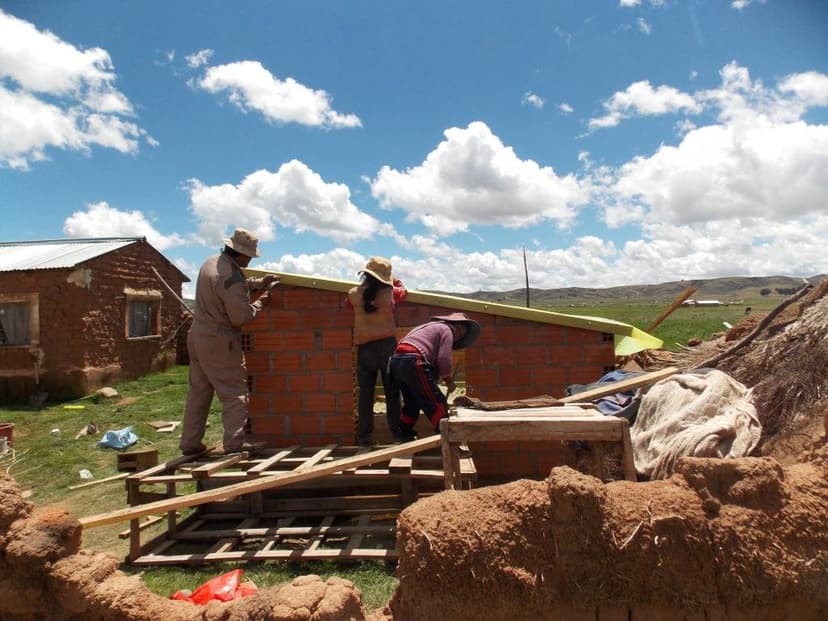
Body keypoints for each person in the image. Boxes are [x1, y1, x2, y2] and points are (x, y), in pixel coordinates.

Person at [179, 228, 278, 455]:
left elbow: (231, 284)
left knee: (199, 392)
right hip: (220, 339)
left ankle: (190, 444)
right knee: (235, 393)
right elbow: (240, 317)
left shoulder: (211, 263)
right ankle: (234, 446)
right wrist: (263, 301)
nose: (251, 259)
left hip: (198, 335)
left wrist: (258, 283)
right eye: (250, 256)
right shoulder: (231, 277)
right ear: (241, 254)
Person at [345, 257, 408, 446]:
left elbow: (349, 305)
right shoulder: (390, 293)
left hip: (364, 349)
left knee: (365, 395)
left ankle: (364, 438)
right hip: (387, 347)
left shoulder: (353, 294)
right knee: (392, 393)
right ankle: (398, 435)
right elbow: (404, 292)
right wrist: (395, 281)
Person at [389, 312, 480, 441]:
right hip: (413, 360)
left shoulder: (428, 327)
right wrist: (448, 381)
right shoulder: (448, 330)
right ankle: (445, 436)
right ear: (458, 327)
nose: (458, 338)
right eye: (461, 334)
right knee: (437, 401)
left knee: (412, 403)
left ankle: (404, 435)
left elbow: (433, 363)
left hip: (397, 361)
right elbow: (444, 359)